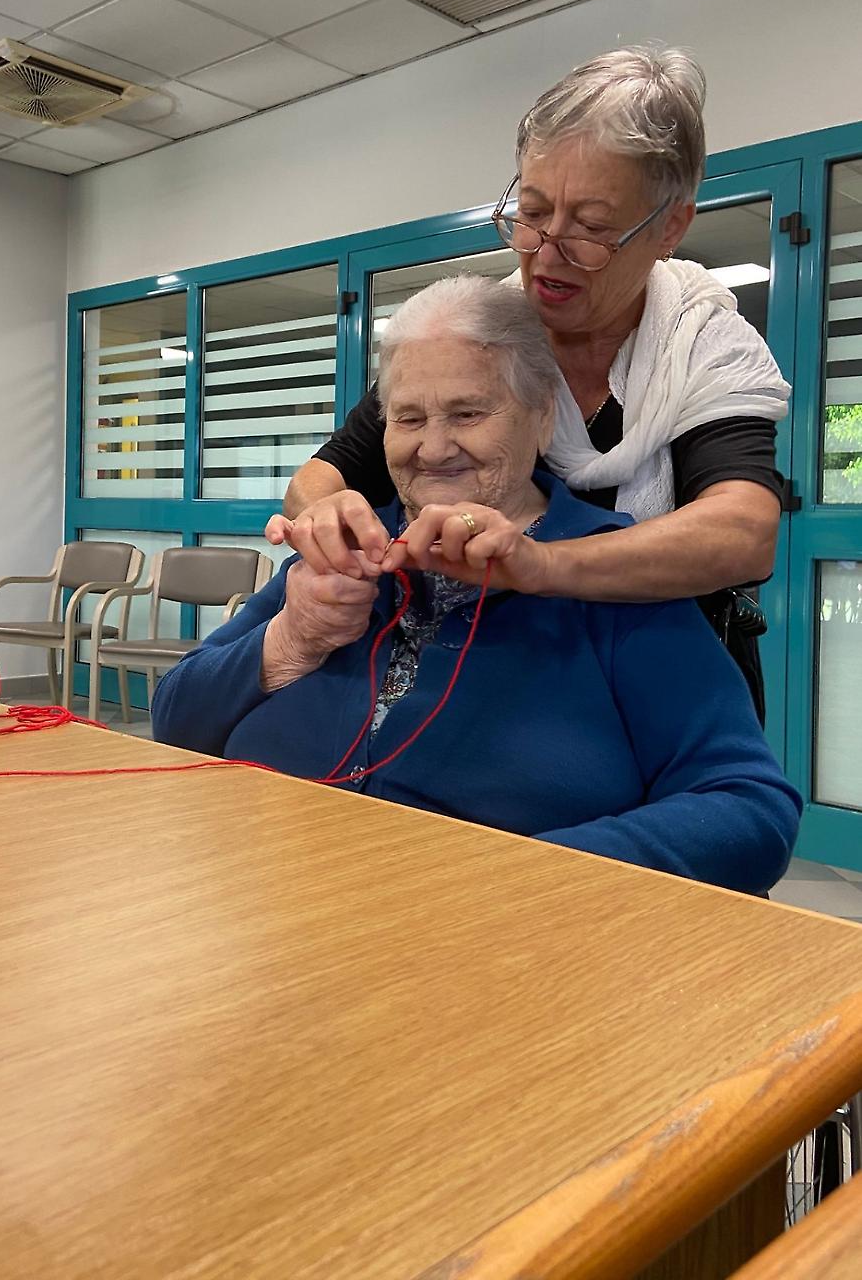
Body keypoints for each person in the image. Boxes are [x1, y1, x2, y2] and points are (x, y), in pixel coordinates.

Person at [154, 278, 800, 895]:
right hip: (270, 906)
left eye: (468, 413)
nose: (434, 449)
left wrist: (521, 877)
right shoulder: (346, 555)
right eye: (408, 419)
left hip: (492, 950)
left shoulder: (609, 574)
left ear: (543, 419)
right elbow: (175, 721)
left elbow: (749, 811)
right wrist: (290, 643)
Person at [270, 47, 790, 722]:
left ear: (670, 226)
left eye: (594, 228)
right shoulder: (475, 333)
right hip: (501, 677)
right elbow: (324, 475)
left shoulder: (705, 345)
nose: (546, 251)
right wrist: (327, 519)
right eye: (533, 211)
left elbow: (742, 532)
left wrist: (538, 565)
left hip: (661, 670)